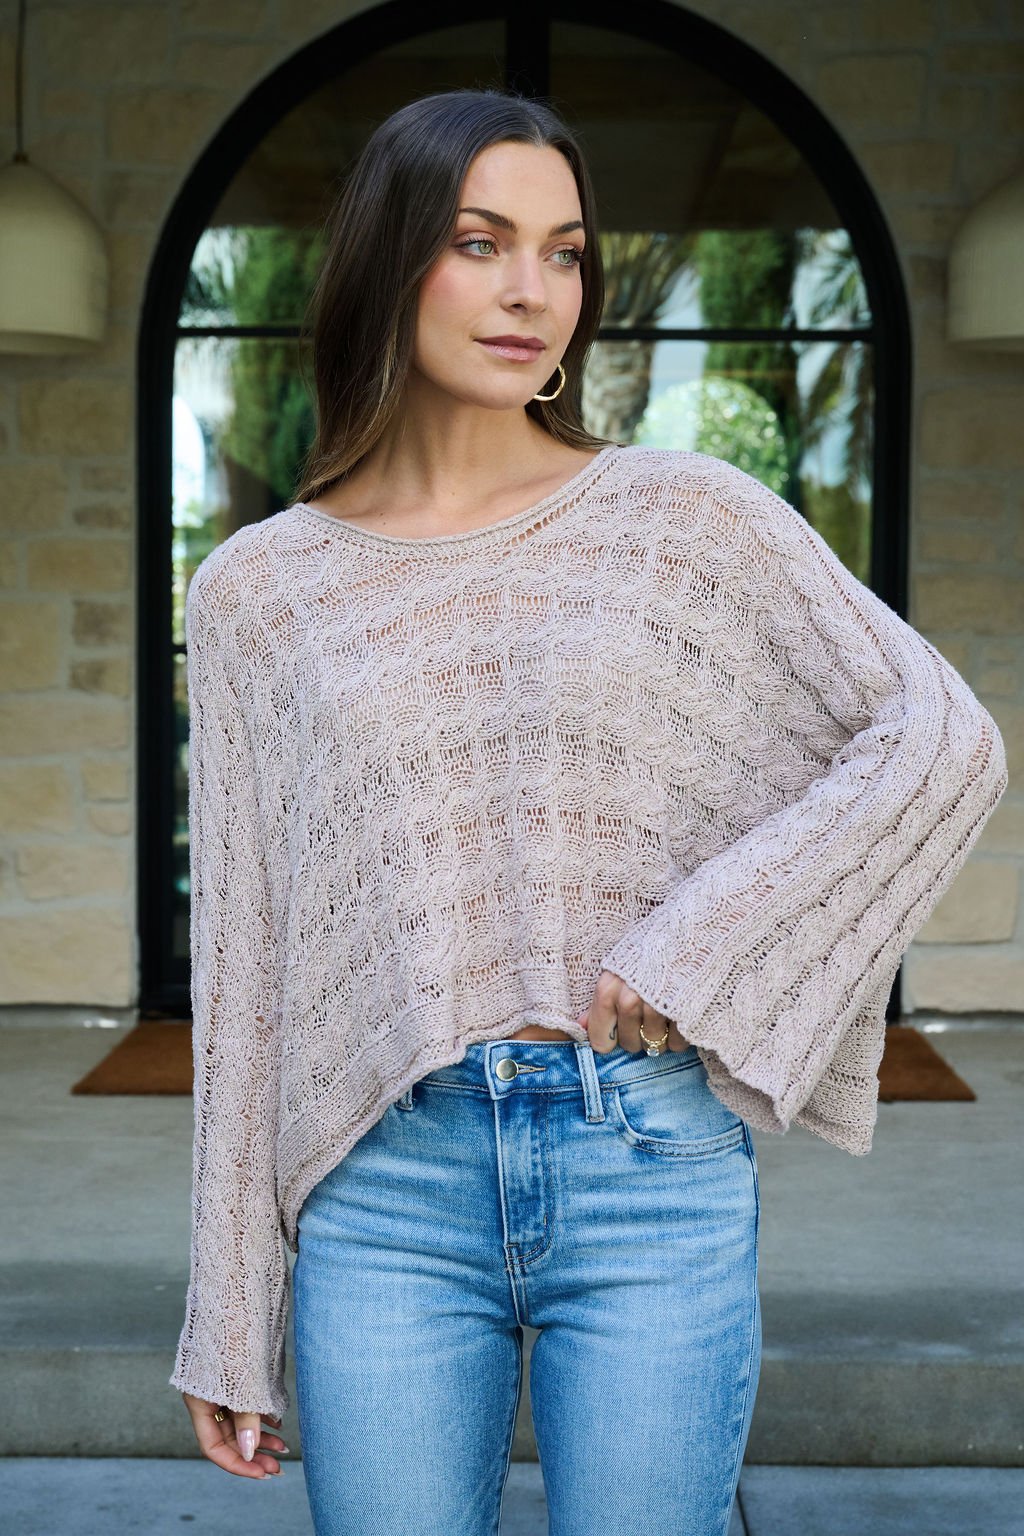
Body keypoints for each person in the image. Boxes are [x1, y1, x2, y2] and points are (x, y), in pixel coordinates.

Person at [169, 87, 1008, 1535]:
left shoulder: (684, 518)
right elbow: (247, 978)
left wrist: (705, 944)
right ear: (388, 260)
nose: (530, 291)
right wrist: (230, 1307)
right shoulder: (260, 591)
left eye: (563, 253)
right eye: (481, 241)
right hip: (383, 1189)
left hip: (647, 1172)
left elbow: (940, 739)